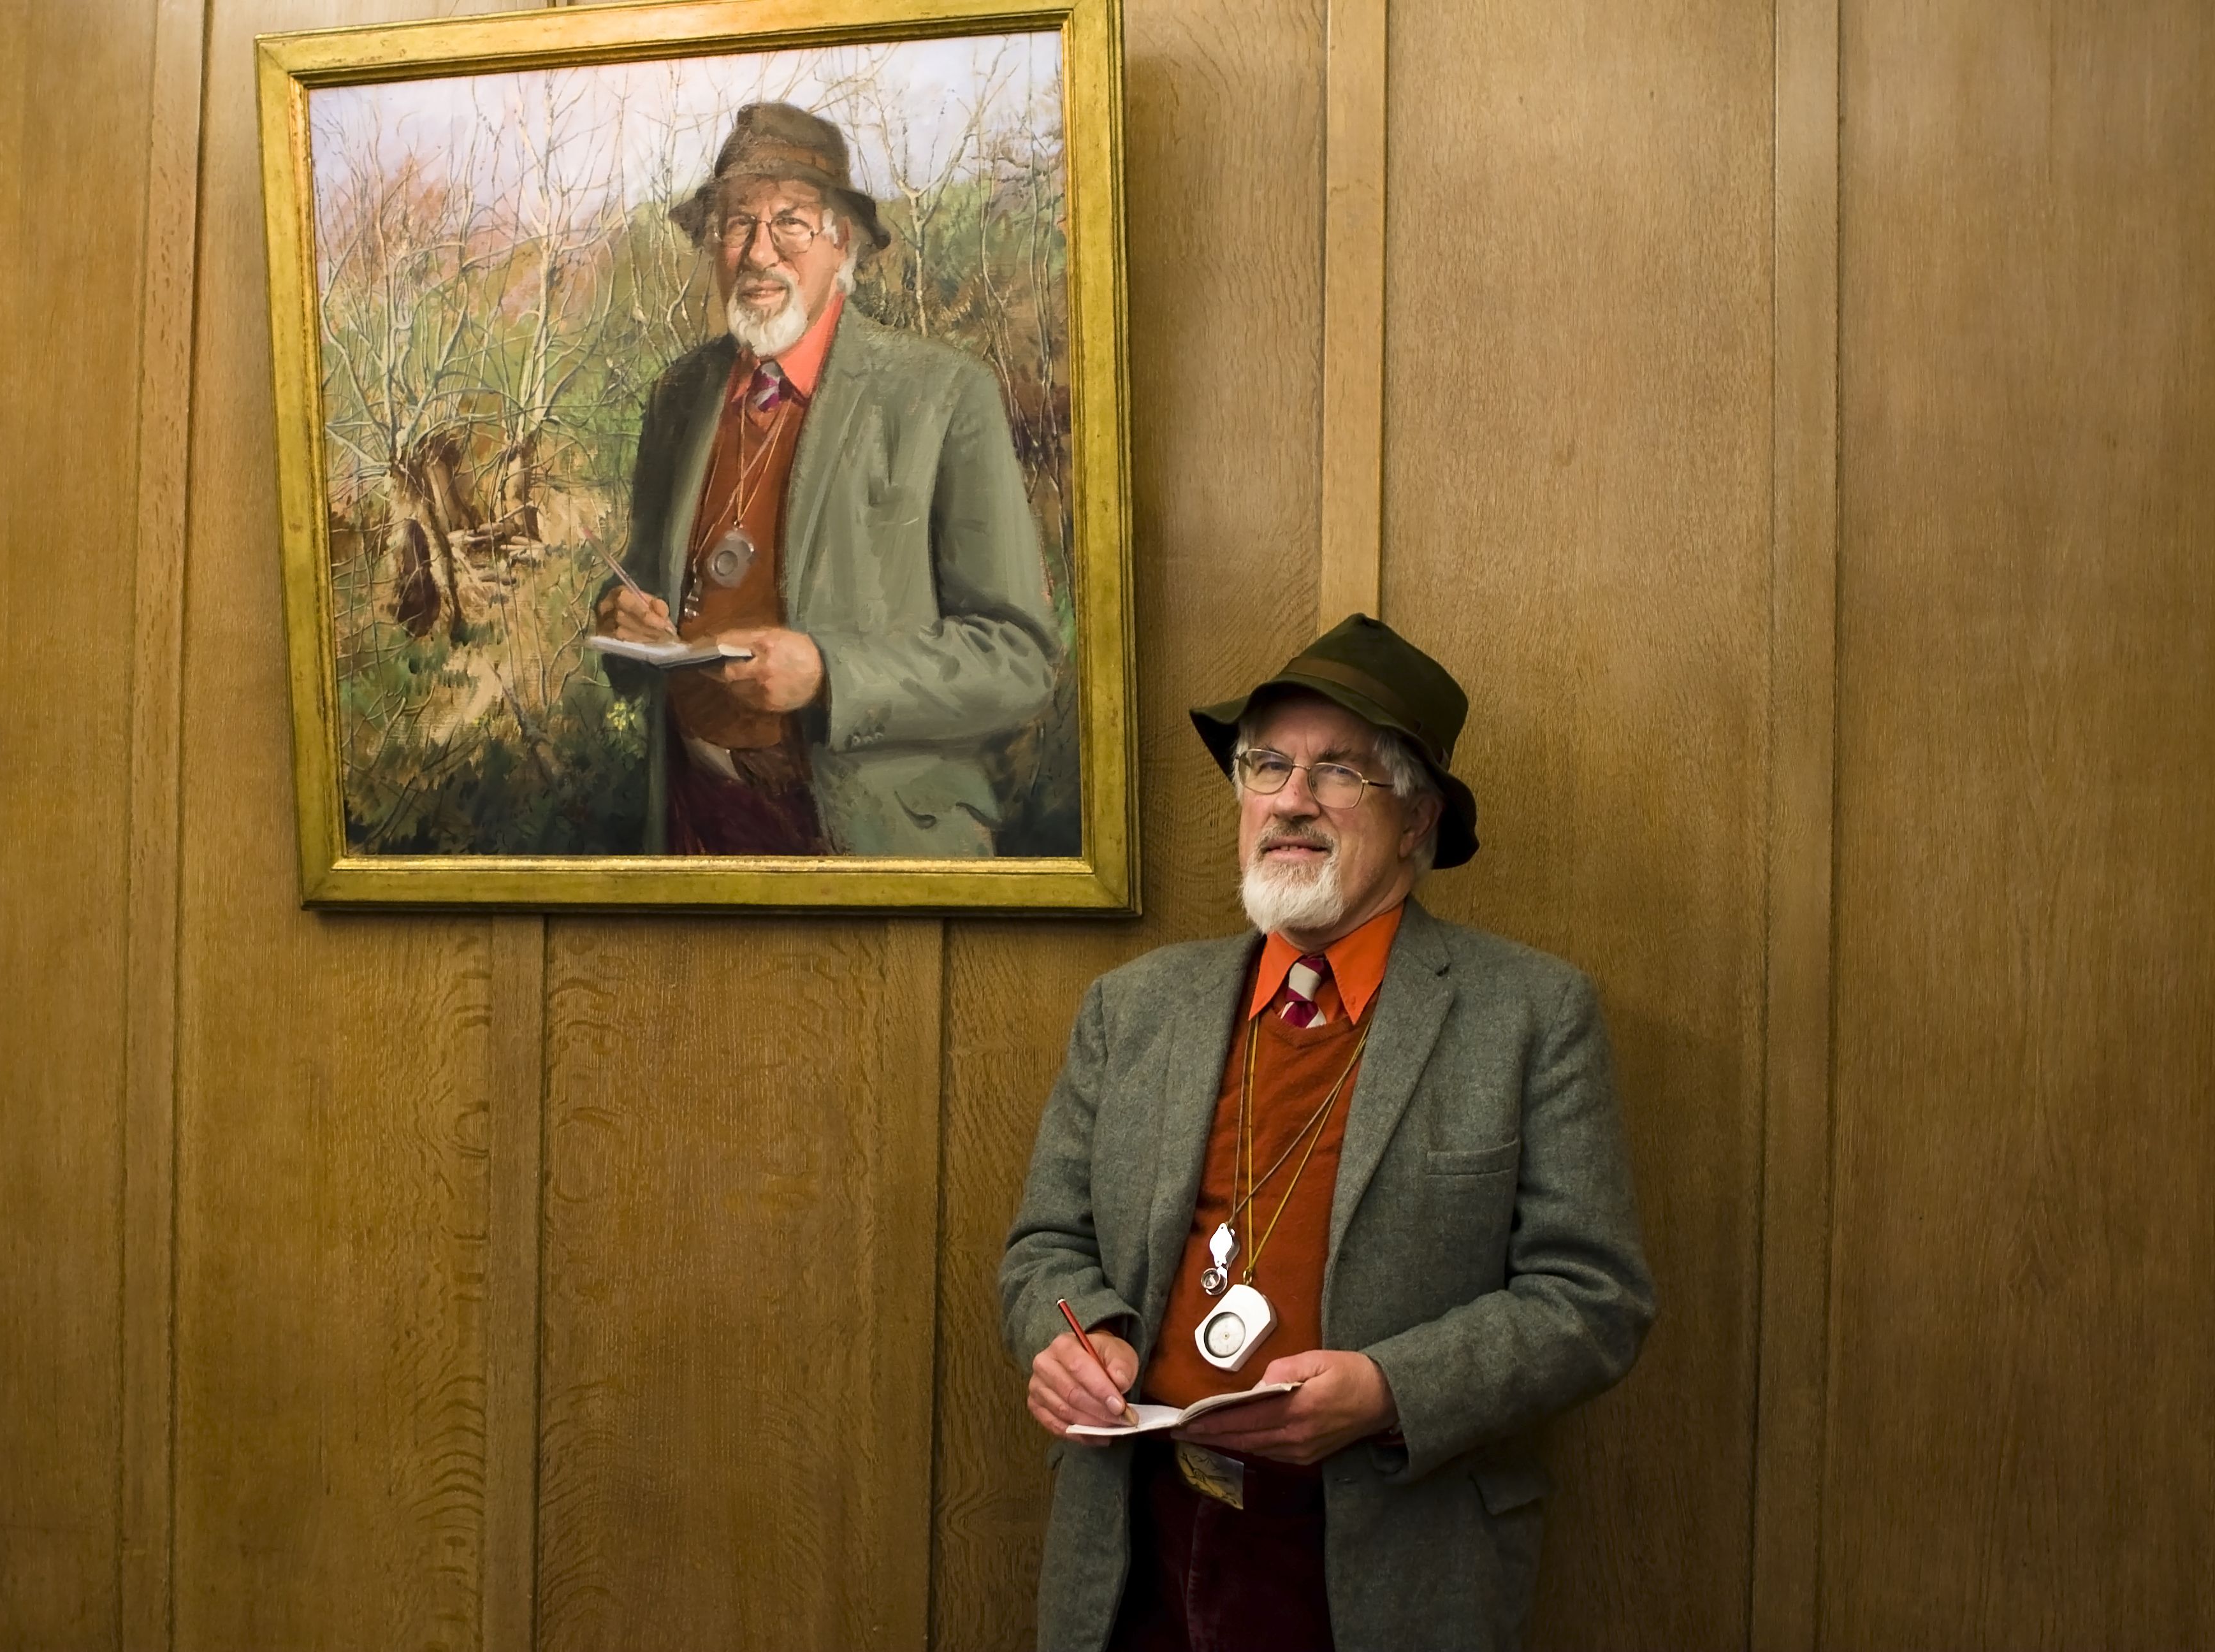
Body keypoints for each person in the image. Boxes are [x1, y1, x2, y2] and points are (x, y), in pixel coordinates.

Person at [999, 614, 1655, 1651]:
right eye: (1267, 766)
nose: (1290, 800)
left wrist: (1390, 1389)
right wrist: (1072, 1339)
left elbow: (1591, 1299)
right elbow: (1045, 1247)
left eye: (1339, 773)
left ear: (1417, 821)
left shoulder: (1529, 1014)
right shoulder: (1132, 1008)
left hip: (1380, 1559)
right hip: (1136, 1545)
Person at [592, 101, 1058, 857]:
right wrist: (622, 619)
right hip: (690, 823)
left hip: (869, 838)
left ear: (843, 242)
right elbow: (644, 582)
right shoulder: (680, 395)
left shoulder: (941, 395)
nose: (758, 253)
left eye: (792, 224)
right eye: (738, 224)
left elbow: (1019, 662)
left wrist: (830, 675)